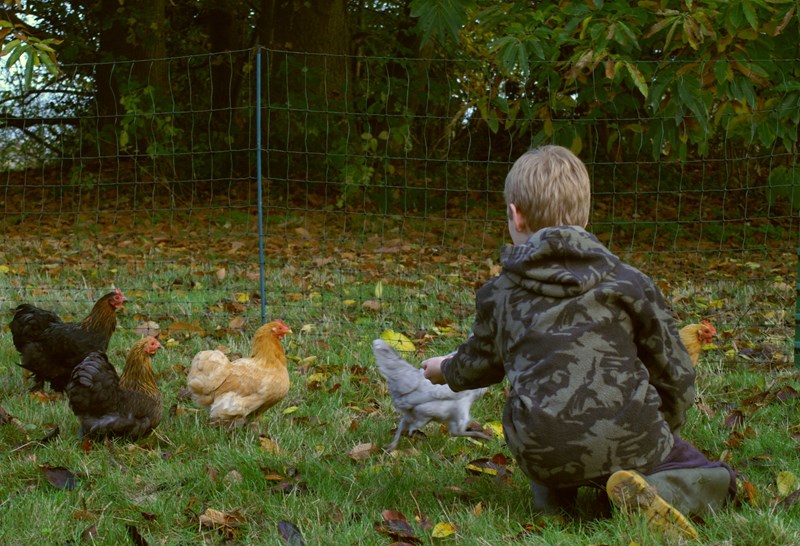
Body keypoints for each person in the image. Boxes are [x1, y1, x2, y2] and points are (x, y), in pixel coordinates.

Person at [421, 145, 736, 538]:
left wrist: (444, 369)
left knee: (536, 401)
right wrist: (661, 425)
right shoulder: (629, 283)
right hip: (631, 435)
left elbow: (478, 363)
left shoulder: (499, 293)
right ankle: (665, 488)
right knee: (712, 473)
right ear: (586, 218)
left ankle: (554, 501)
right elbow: (675, 370)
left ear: (515, 215)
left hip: (542, 447)